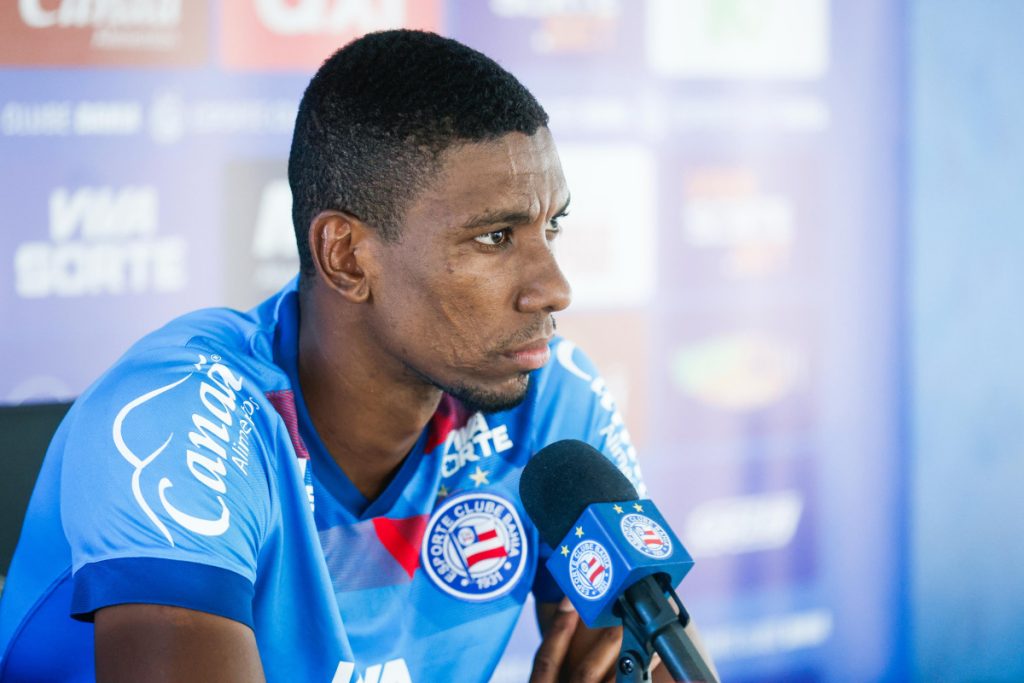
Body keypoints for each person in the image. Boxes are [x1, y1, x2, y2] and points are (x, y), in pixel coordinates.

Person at [0, 30, 709, 682]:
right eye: (495, 237)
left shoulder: (549, 399)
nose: (554, 286)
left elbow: (657, 652)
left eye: (550, 226)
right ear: (345, 256)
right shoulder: (181, 415)